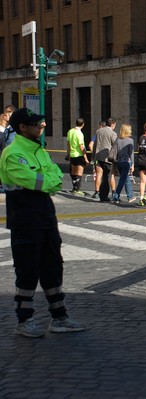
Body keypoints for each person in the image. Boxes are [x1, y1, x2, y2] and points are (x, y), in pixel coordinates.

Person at [0, 108, 86, 337]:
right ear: (22, 128)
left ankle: (59, 317)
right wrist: (48, 180)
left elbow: (57, 177)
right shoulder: (12, 153)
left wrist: (47, 180)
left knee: (53, 266)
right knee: (27, 269)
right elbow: (32, 180)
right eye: (38, 124)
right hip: (25, 218)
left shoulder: (39, 151)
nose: (43, 126)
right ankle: (24, 320)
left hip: (45, 215)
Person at [92, 118, 117, 201]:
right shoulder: (113, 133)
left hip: (98, 157)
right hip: (107, 158)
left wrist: (93, 157)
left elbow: (95, 145)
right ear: (112, 124)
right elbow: (115, 146)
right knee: (106, 176)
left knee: (100, 175)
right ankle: (104, 196)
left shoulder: (99, 131)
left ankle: (98, 192)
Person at [111, 123, 136, 204]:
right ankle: (116, 196)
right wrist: (132, 164)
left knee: (126, 179)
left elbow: (116, 152)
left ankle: (130, 196)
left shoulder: (118, 140)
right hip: (126, 162)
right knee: (122, 180)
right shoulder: (130, 140)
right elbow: (131, 153)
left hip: (119, 162)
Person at [66, 118, 90, 195]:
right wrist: (86, 158)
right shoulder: (79, 133)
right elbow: (81, 146)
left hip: (72, 154)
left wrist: (68, 153)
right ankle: (78, 189)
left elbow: (68, 144)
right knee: (79, 172)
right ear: (83, 124)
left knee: (73, 171)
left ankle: (74, 188)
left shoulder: (70, 131)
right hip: (79, 154)